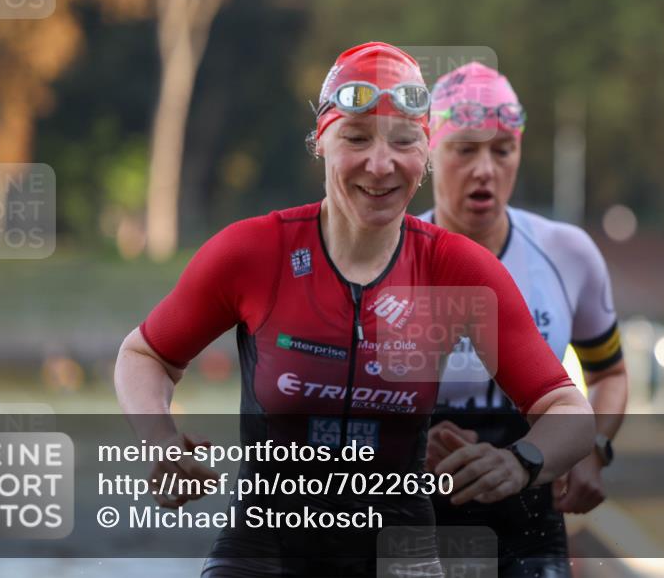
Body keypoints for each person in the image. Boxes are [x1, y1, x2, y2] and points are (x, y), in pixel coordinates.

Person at [115, 42, 596, 577]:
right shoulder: (254, 252)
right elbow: (145, 355)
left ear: (426, 154)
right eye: (357, 137)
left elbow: (568, 411)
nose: (381, 164)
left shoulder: (454, 267)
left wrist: (521, 462)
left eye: (404, 141)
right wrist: (160, 442)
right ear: (321, 142)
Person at [419, 62, 628, 577]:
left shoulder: (566, 253)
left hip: (527, 514)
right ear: (428, 151)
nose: (485, 169)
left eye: (502, 150)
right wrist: (402, 443)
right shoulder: (388, 256)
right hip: (410, 512)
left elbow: (609, 373)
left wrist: (593, 448)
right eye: (464, 149)